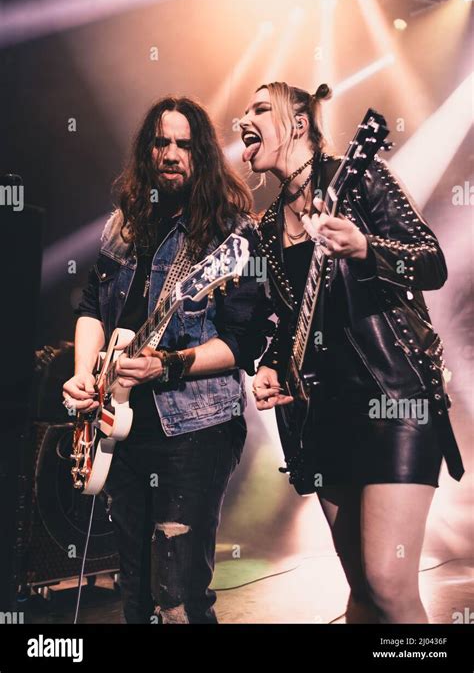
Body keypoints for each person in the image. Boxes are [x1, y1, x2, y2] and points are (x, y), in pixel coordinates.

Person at [241, 81, 464, 624]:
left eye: (260, 109)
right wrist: (271, 363)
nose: (243, 118)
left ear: (299, 123)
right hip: (323, 415)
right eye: (244, 111)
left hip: (395, 401)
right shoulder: (266, 231)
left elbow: (431, 262)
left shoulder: (358, 178)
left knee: (390, 584)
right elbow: (284, 322)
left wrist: (365, 247)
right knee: (362, 590)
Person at [63, 96, 271, 624]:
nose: (171, 154)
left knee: (176, 596)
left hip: (195, 430)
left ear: (201, 153)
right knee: (133, 594)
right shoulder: (123, 224)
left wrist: (167, 365)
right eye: (161, 142)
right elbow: (92, 308)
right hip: (120, 427)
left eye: (184, 144)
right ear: (146, 150)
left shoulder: (234, 236)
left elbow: (241, 344)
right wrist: (84, 375)